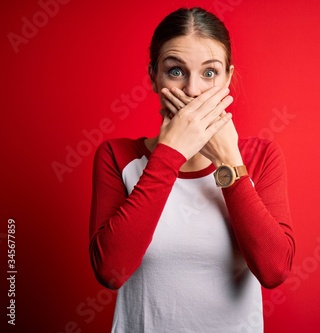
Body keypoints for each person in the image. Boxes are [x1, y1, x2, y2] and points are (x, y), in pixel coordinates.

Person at [89, 7, 295, 333]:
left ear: (228, 77)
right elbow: (111, 271)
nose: (193, 90)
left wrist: (229, 161)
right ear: (153, 76)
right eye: (175, 71)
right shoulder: (118, 157)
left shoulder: (260, 157)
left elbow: (274, 271)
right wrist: (170, 154)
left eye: (209, 73)